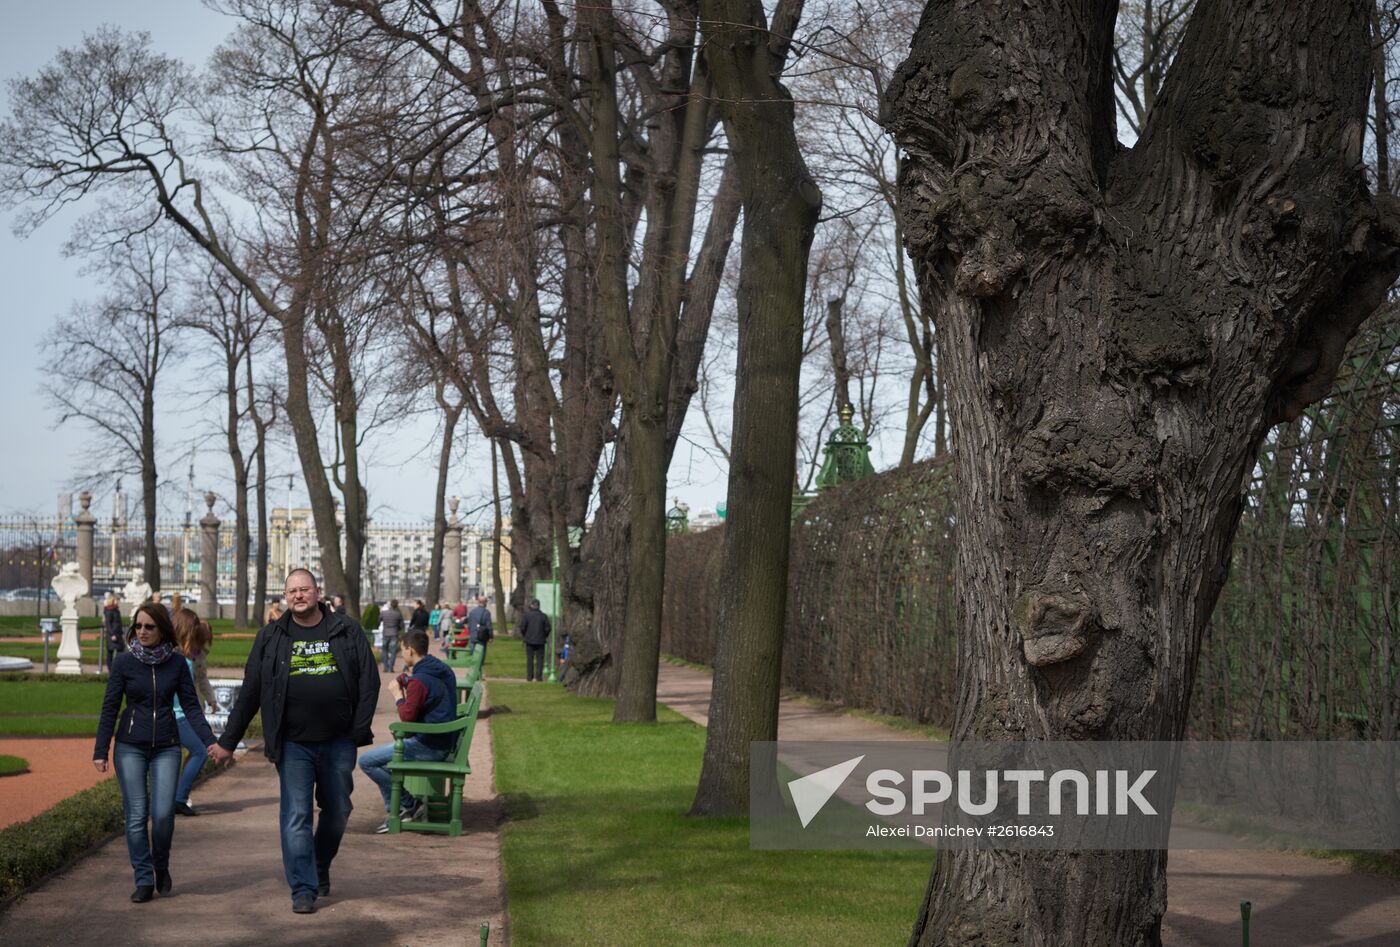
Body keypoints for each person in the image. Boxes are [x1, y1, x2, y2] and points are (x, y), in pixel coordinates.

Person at [208, 568, 380, 915]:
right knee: (296, 814)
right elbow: (251, 692)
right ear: (286, 597)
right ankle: (303, 887)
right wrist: (228, 741)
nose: (298, 596)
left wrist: (356, 730)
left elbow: (369, 682)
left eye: (304, 589)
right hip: (293, 744)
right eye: (292, 591)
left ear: (318, 592)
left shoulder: (347, 630)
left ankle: (319, 863)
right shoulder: (271, 637)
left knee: (339, 811)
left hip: (337, 741)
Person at [93, 603, 217, 903]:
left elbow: (190, 705)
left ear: (162, 629)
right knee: (136, 816)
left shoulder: (176, 663)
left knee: (162, 816)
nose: (143, 632)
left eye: (149, 627)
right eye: (138, 626)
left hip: (166, 745)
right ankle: (144, 877)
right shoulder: (124, 663)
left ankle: (161, 865)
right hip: (129, 746)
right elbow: (110, 707)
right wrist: (101, 749)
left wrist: (210, 740)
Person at [358, 630, 458, 832]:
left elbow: (406, 718)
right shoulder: (439, 668)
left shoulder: (419, 680)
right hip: (443, 740)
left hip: (428, 746)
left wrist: (397, 694)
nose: (402, 654)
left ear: (410, 650)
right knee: (380, 762)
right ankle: (407, 805)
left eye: (403, 650)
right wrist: (409, 684)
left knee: (367, 762)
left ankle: (406, 806)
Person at [170, 609, 217, 817]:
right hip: (179, 716)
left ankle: (175, 797)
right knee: (200, 752)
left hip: (180, 714)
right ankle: (179, 798)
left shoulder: (182, 655)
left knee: (181, 756)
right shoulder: (180, 658)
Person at [519, 598, 551, 682]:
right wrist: (544, 635)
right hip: (540, 640)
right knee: (540, 659)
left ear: (532, 606)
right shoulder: (543, 616)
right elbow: (548, 628)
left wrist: (525, 635)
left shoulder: (527, 616)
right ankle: (539, 677)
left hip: (529, 640)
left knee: (530, 659)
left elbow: (522, 627)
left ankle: (529, 676)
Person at [467, 596, 493, 665]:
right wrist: (491, 636)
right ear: (484, 603)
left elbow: (469, 624)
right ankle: (480, 666)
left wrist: (470, 632)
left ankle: (473, 664)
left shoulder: (472, 612)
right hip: (482, 635)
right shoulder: (486, 613)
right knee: (482, 652)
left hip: (473, 634)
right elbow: (489, 626)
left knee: (473, 652)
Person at [380, 599, 405, 672]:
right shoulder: (398, 614)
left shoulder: (383, 613)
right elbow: (402, 625)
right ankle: (391, 667)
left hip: (385, 633)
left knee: (384, 650)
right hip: (394, 633)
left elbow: (379, 620)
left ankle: (385, 667)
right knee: (393, 651)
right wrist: (398, 628)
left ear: (390, 605)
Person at [102, 594, 126, 665]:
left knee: (120, 650)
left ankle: (116, 667)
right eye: (117, 600)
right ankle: (111, 670)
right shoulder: (109, 611)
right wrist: (112, 634)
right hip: (112, 635)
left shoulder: (116, 610)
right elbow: (108, 624)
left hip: (118, 634)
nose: (118, 601)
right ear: (112, 600)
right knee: (110, 652)